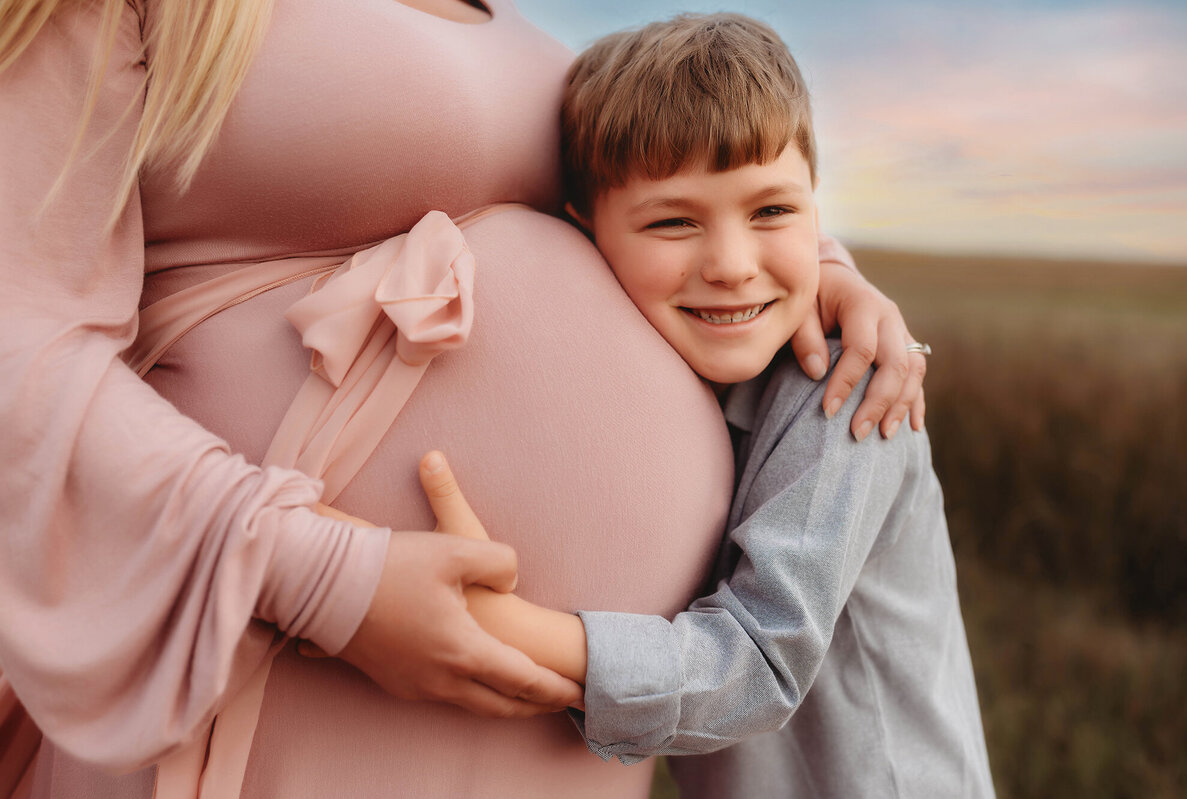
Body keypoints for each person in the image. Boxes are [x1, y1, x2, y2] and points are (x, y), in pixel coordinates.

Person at [0, 1, 928, 796]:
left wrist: (823, 273)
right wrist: (322, 575)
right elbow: (21, 340)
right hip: (269, 654)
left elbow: (657, 186)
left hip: (566, 741)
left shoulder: (520, 35)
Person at [424, 13, 994, 797]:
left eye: (772, 212)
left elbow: (760, 660)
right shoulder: (664, 358)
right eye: (673, 221)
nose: (730, 264)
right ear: (585, 235)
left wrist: (515, 630)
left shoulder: (844, 390)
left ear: (815, 207)